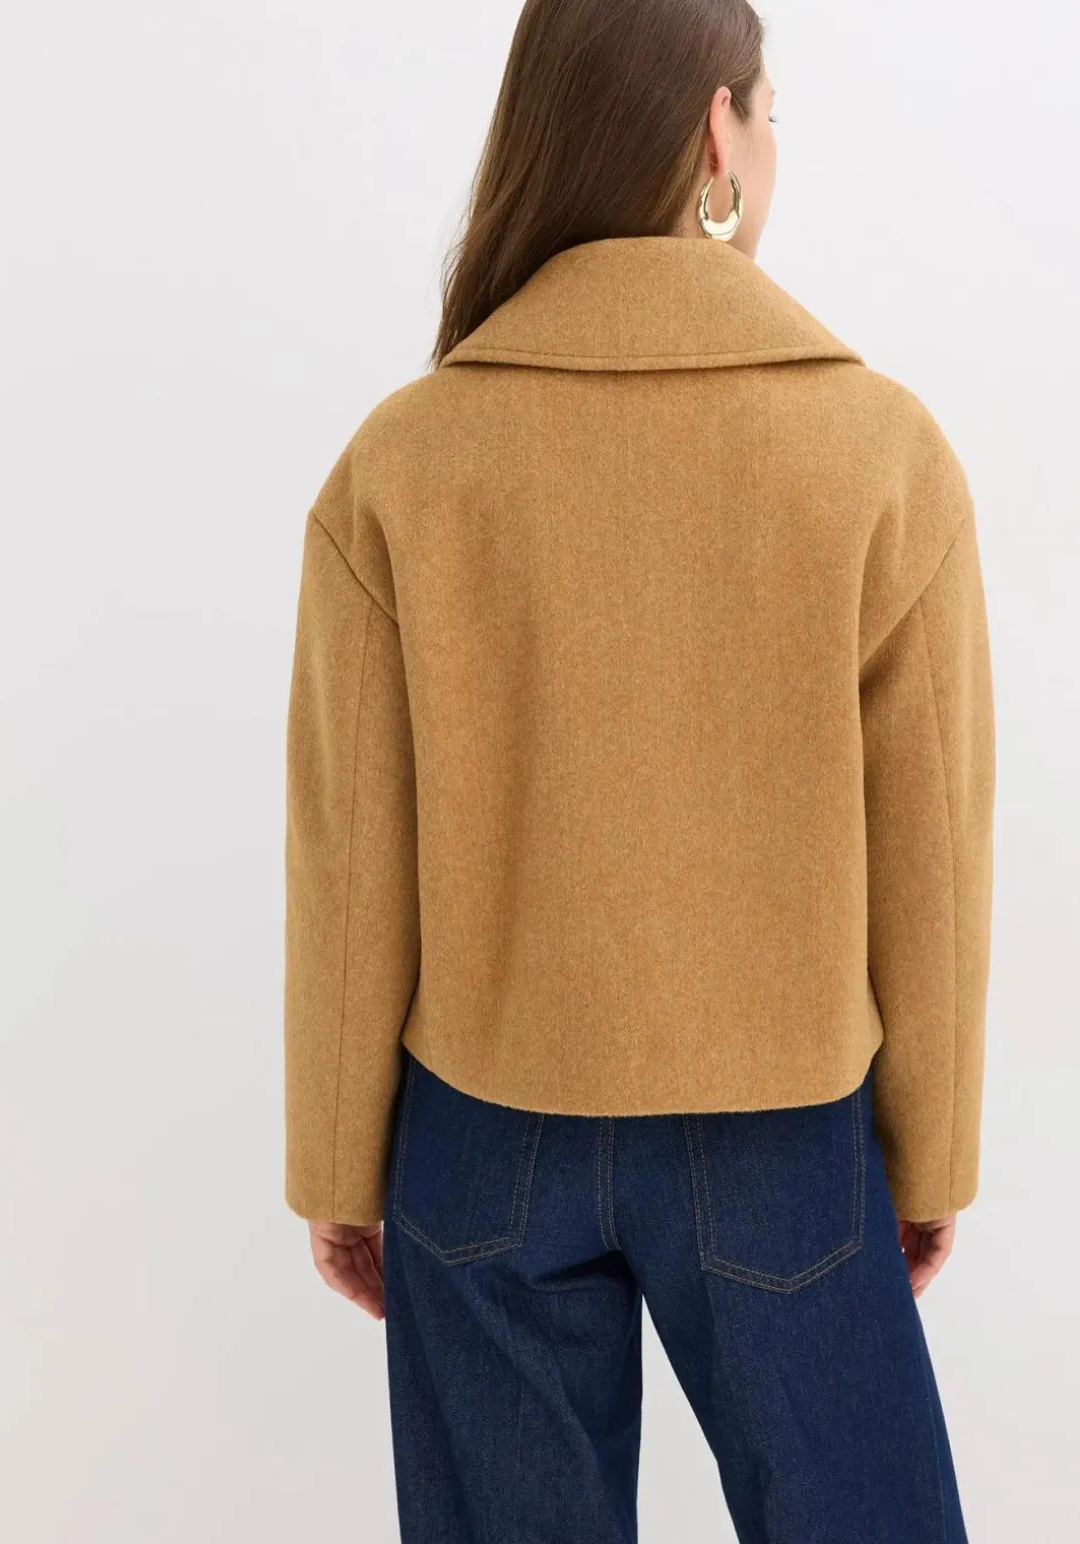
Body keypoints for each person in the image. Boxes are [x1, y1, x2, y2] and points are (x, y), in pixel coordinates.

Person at [281, 1, 995, 1538]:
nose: (773, 145)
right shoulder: (876, 451)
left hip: (481, 1128)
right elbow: (931, 843)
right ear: (714, 131)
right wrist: (928, 1146)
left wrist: (339, 1161)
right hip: (779, 1136)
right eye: (769, 111)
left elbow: (352, 857)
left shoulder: (404, 461)